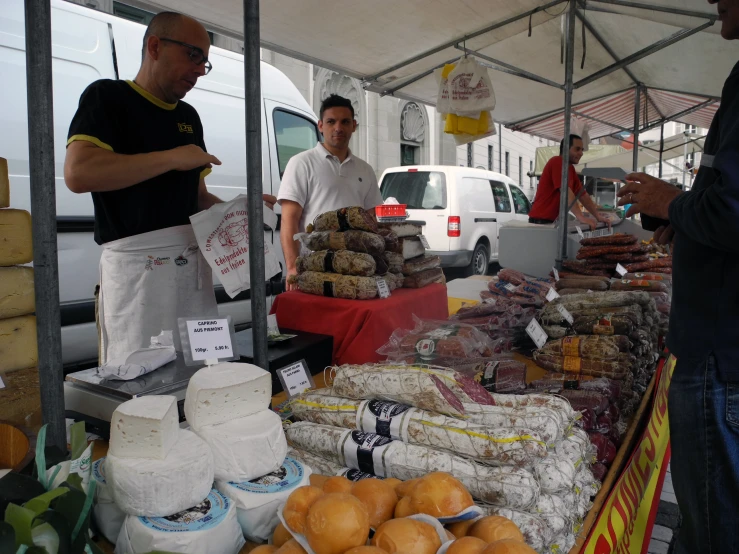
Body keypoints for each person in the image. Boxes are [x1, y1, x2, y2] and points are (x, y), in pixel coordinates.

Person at [64, 12, 275, 363]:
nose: (198, 69)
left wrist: (238, 212)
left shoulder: (189, 117)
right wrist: (172, 157)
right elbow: (78, 172)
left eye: (204, 62)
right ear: (155, 46)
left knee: (202, 373)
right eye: (193, 55)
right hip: (137, 278)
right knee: (139, 381)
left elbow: (196, 198)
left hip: (190, 273)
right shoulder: (107, 97)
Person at [616, 1, 739, 552]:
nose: (716, 1)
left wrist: (673, 203)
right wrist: (680, 218)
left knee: (713, 523)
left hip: (721, 350)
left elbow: (733, 213)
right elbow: (722, 205)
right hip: (717, 342)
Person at [278, 94, 384, 289]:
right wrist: (293, 267)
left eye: (344, 122)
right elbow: (289, 220)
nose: (338, 128)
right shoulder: (301, 163)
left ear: (354, 125)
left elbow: (372, 219)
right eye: (331, 121)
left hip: (354, 269)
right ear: (320, 126)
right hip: (314, 269)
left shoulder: (365, 169)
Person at [528, 134, 610, 230]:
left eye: (582, 150)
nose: (581, 153)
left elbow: (583, 195)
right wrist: (581, 217)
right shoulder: (557, 162)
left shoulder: (570, 169)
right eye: (577, 149)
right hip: (540, 223)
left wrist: (597, 216)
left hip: (551, 223)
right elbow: (566, 192)